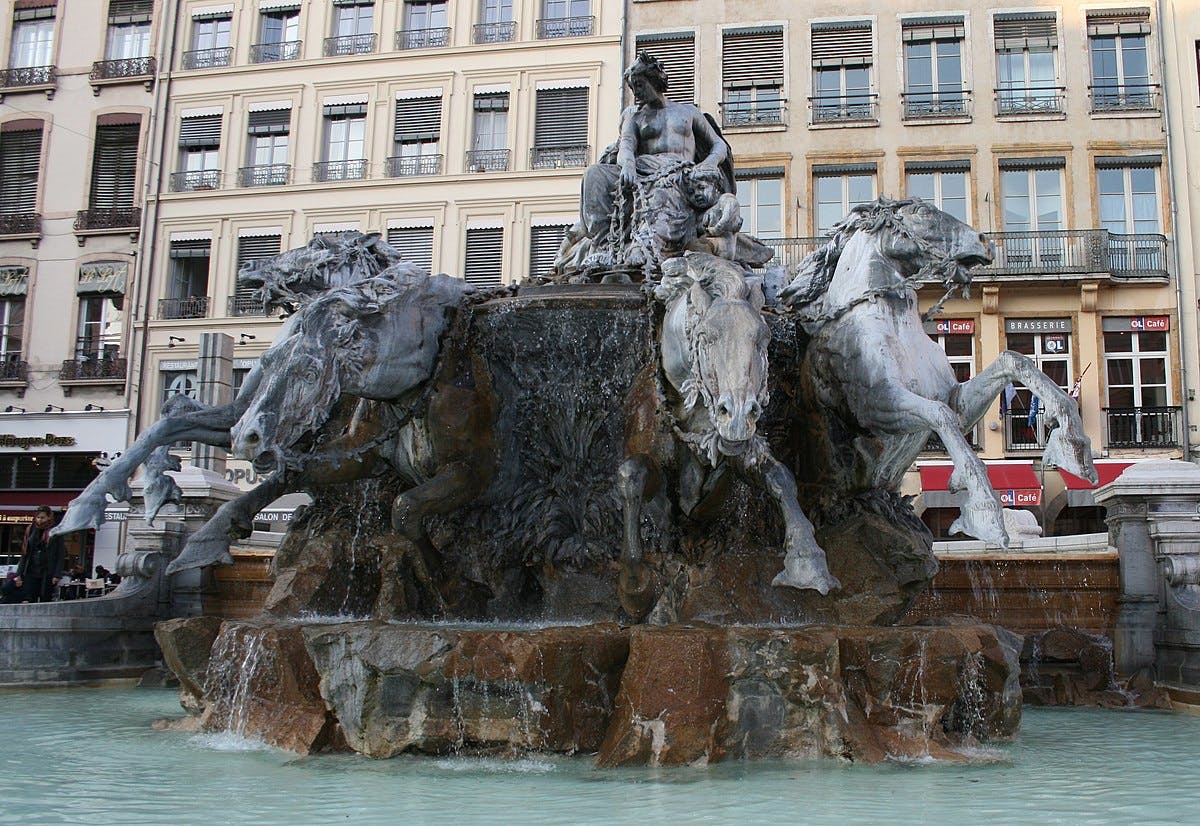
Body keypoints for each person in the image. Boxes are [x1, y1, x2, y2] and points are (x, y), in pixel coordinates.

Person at [575, 51, 735, 276]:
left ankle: (651, 246)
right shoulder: (635, 117)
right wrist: (628, 165)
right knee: (594, 175)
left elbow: (718, 145)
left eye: (639, 85)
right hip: (643, 168)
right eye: (633, 87)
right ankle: (605, 246)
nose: (636, 92)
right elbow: (626, 147)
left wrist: (707, 164)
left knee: (661, 194)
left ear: (654, 80)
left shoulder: (687, 112)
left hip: (679, 173)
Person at [13, 506, 65, 603]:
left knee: (45, 596)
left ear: (49, 517)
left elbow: (60, 554)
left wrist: (57, 574)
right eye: (38, 517)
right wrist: (19, 573)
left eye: (42, 517)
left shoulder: (55, 531)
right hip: (31, 569)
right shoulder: (30, 529)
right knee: (29, 595)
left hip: (47, 570)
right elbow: (25, 553)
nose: (40, 520)